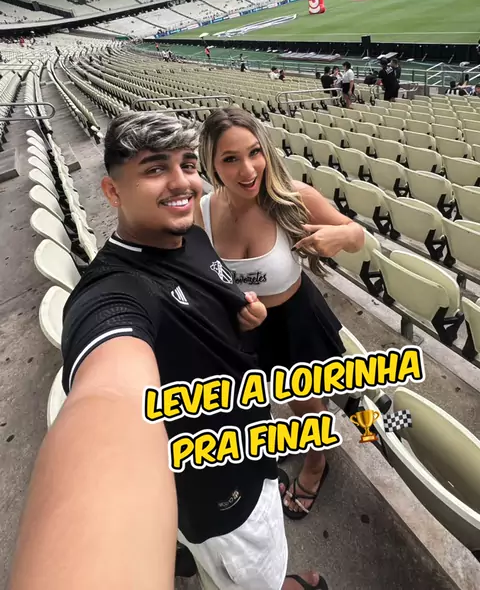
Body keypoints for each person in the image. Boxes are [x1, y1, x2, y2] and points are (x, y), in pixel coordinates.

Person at [9, 111, 325, 590]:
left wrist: (242, 318)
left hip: (248, 445)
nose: (182, 183)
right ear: (112, 191)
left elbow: (205, 297)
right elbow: (107, 398)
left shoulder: (189, 235)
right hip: (221, 492)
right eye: (155, 168)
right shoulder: (112, 294)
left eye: (187, 165)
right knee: (255, 574)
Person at [197, 108, 364, 522]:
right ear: (211, 163)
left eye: (254, 152)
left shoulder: (293, 196)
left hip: (296, 322)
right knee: (272, 400)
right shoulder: (202, 212)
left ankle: (317, 464)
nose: (248, 169)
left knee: (306, 402)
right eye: (230, 159)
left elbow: (359, 236)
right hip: (244, 328)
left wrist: (341, 235)